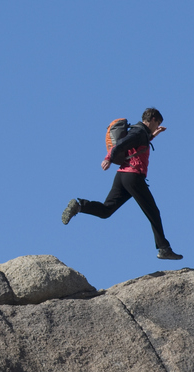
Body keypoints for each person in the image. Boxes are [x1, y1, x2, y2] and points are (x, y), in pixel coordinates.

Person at [61, 107, 183, 260]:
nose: (157, 125)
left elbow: (138, 144)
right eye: (157, 123)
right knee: (153, 212)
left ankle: (79, 205)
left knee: (106, 210)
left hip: (122, 175)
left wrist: (154, 135)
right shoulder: (138, 132)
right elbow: (122, 144)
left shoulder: (140, 132)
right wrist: (108, 158)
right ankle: (164, 249)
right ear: (152, 119)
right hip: (133, 177)